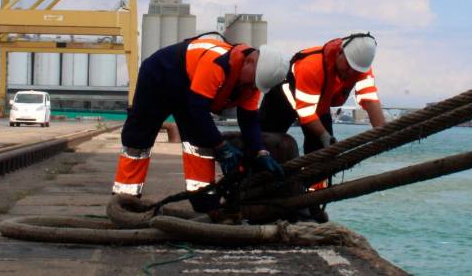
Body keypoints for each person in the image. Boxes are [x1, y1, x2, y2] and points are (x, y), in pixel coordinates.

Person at [112, 33, 287, 213]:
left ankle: (204, 201)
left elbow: (249, 120)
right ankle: (125, 200)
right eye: (253, 83)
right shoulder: (217, 63)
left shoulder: (252, 84)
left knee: (200, 145)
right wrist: (221, 147)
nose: (253, 88)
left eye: (256, 86)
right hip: (159, 76)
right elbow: (198, 110)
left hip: (190, 87)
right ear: (249, 61)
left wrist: (260, 151)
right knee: (138, 139)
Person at [260, 32, 386, 181]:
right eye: (348, 66)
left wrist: (383, 133)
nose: (350, 72)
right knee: (263, 143)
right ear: (340, 52)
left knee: (324, 157)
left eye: (356, 70)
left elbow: (370, 99)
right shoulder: (312, 66)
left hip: (319, 106)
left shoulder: (360, 68)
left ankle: (312, 194)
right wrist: (324, 135)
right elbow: (306, 111)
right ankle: (259, 184)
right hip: (282, 102)